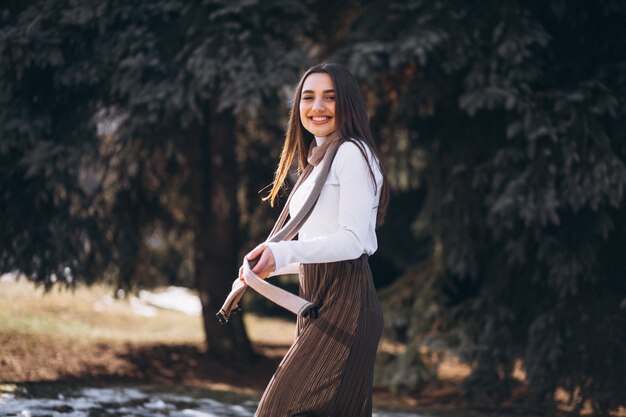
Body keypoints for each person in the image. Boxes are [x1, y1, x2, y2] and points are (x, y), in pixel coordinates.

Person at [241, 63, 389, 417]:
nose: (317, 107)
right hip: (318, 300)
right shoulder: (320, 159)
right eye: (308, 97)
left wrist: (283, 250)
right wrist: (270, 265)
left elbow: (353, 242)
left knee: (277, 410)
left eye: (329, 97)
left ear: (348, 104)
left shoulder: (351, 153)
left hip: (346, 302)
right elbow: (322, 244)